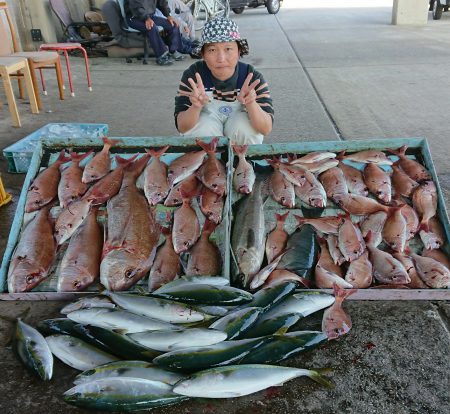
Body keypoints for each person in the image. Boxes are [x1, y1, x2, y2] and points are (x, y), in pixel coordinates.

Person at [174, 17, 273, 144]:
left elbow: (266, 129)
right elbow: (182, 126)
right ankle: (208, 162)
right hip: (207, 134)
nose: (221, 58)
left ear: (239, 51)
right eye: (212, 50)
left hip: (241, 143)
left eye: (228, 49)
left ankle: (243, 162)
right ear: (203, 54)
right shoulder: (193, 76)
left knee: (244, 128)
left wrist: (251, 103)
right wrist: (195, 106)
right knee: (202, 129)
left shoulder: (252, 78)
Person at [124, 0, 185, 65]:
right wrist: (146, 18)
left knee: (173, 24)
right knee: (151, 27)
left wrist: (168, 15)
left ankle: (173, 50)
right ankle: (161, 56)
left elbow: (162, 3)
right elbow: (136, 6)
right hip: (134, 17)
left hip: (149, 16)